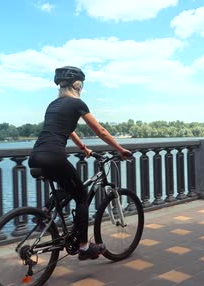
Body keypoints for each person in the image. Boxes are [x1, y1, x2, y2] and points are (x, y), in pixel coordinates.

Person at [28, 66, 132, 261]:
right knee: (82, 196)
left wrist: (83, 148)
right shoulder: (77, 103)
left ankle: (43, 214)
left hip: (36, 155)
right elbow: (100, 130)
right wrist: (120, 150)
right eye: (82, 84)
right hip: (54, 155)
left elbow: (67, 130)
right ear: (77, 84)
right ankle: (84, 246)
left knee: (68, 186)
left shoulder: (53, 104)